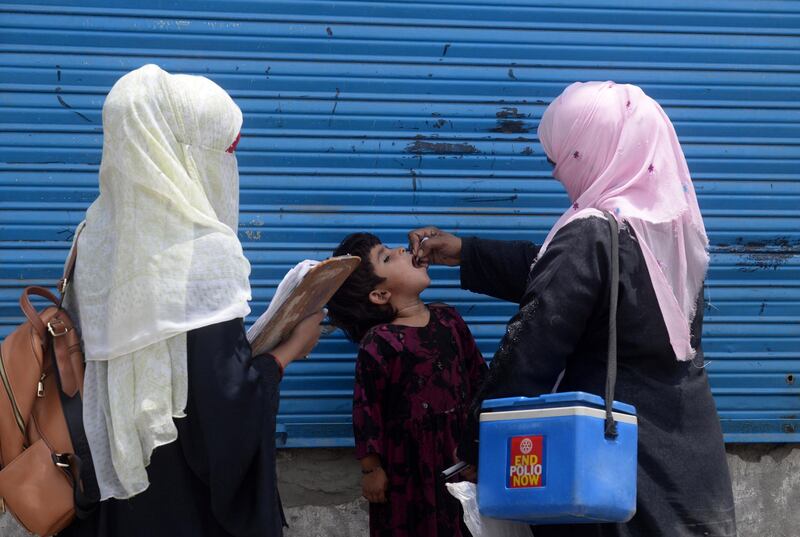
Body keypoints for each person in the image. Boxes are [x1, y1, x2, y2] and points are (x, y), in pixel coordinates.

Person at [409, 81, 736, 537]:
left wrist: (479, 445)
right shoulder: (669, 232)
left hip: (614, 466)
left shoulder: (593, 232)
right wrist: (468, 253)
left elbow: (532, 348)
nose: (557, 175)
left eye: (561, 158)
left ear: (591, 148)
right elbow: (582, 284)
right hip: (688, 464)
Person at [60, 64, 324, 537]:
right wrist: (286, 353)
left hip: (116, 489)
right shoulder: (203, 254)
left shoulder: (93, 239)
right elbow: (222, 412)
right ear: (180, 153)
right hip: (185, 505)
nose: (228, 167)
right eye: (223, 152)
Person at [326, 232, 487, 537]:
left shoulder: (450, 320)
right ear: (380, 295)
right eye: (387, 256)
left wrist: (482, 446)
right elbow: (366, 409)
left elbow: (481, 382)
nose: (401, 249)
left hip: (459, 454)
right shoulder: (379, 342)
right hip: (407, 471)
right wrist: (372, 470)